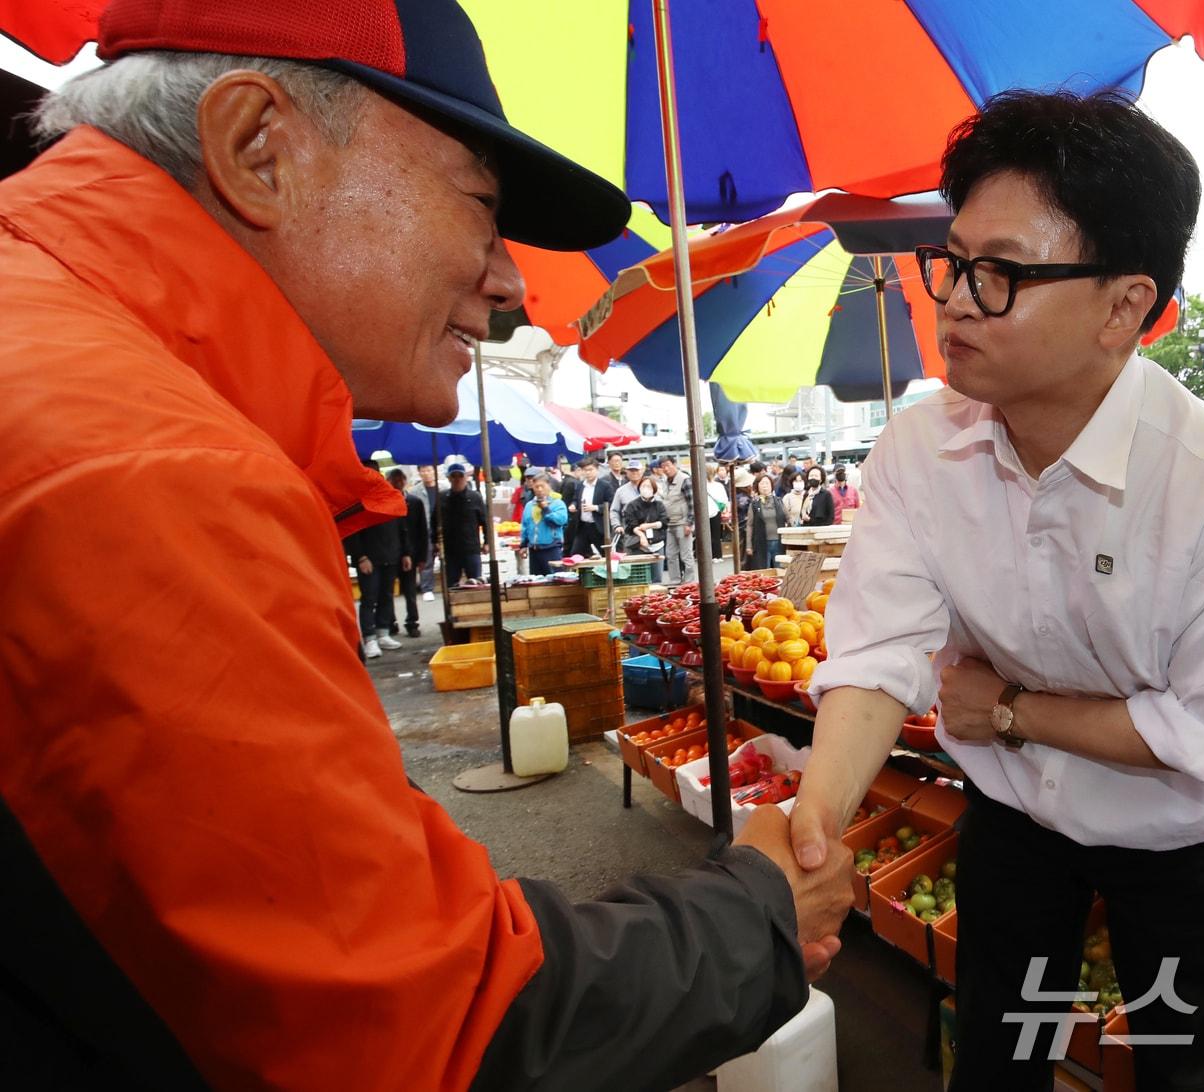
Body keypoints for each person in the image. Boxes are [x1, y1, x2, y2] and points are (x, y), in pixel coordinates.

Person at [0, 2, 852, 1086]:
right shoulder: (145, 468)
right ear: (258, 149)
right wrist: (759, 914)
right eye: (480, 208)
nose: (507, 282)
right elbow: (418, 1032)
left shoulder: (73, 358)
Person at [793, 90, 1204, 1092]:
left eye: (1002, 275)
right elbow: (877, 652)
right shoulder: (916, 450)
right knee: (995, 1055)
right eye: (952, 261)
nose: (952, 301)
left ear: (1123, 307)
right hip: (1014, 822)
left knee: (1183, 1072)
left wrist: (1013, 710)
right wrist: (810, 837)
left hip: (1174, 842)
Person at [344, 461, 412, 659]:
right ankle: (369, 637)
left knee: (387, 595)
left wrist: (405, 553)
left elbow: (402, 528)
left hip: (391, 555)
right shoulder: (357, 501)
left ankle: (383, 632)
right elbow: (352, 532)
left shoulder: (389, 496)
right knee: (369, 598)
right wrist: (360, 557)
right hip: (369, 559)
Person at [387, 468, 429, 637]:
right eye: (394, 480)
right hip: (389, 554)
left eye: (400, 480)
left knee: (410, 591)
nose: (398, 483)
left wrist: (422, 557)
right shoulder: (385, 502)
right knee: (388, 592)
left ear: (405, 481)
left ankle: (412, 622)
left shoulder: (415, 502)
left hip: (410, 554)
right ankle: (390, 623)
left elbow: (422, 531)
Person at [438, 462, 488, 585]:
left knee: (476, 583)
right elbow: (435, 521)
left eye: (460, 476)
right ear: (449, 478)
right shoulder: (442, 498)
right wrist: (435, 542)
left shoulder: (475, 497)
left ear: (465, 477)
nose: (457, 479)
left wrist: (487, 542)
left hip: (471, 548)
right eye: (453, 476)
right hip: (450, 550)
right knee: (451, 585)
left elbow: (485, 522)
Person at [657, 455, 696, 585]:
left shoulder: (684, 479)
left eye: (668, 465)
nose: (666, 469)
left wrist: (689, 523)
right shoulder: (665, 482)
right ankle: (675, 580)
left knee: (686, 555)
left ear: (674, 464)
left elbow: (693, 503)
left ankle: (689, 582)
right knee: (671, 554)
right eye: (663, 467)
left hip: (682, 523)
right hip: (670, 524)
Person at [521, 474, 569, 575]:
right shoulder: (529, 505)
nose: (539, 489)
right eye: (536, 487)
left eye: (542, 486)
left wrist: (546, 509)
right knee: (537, 581)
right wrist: (523, 545)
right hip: (534, 549)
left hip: (551, 547)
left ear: (548, 485)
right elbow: (525, 525)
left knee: (555, 578)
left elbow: (561, 521)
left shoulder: (557, 503)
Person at [568, 456, 614, 557]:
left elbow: (611, 504)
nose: (587, 473)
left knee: (606, 555)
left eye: (590, 470)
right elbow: (576, 499)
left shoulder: (605, 486)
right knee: (576, 554)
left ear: (597, 470)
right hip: (583, 526)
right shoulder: (580, 485)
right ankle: (581, 573)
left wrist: (596, 507)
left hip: (598, 526)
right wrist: (573, 505)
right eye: (585, 470)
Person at [745, 473, 786, 571]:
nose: (765, 486)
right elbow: (750, 525)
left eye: (767, 483)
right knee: (764, 570)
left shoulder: (779, 501)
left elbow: (788, 518)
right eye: (762, 483)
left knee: (780, 569)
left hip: (779, 542)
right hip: (762, 543)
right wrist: (749, 545)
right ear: (757, 486)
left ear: (772, 486)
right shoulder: (754, 504)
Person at [414, 463, 442, 600]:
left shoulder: (444, 487)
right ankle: (427, 588)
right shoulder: (415, 491)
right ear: (419, 473)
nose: (427, 473)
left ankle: (449, 585)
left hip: (442, 526)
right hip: (424, 528)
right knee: (427, 558)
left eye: (429, 470)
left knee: (447, 557)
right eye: (423, 470)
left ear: (434, 471)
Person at [621, 475, 667, 556]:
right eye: (643, 486)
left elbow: (664, 522)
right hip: (638, 545)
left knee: (657, 568)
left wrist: (649, 525)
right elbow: (630, 525)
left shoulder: (659, 504)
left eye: (649, 486)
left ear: (654, 489)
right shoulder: (632, 505)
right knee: (640, 568)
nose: (646, 489)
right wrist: (641, 535)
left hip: (657, 545)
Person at [609, 458, 645, 536]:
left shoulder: (652, 486)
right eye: (631, 471)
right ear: (627, 472)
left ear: (642, 471)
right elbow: (614, 510)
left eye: (637, 470)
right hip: (629, 532)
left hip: (650, 529)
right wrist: (617, 525)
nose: (634, 473)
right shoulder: (621, 491)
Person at [706, 464, 729, 561]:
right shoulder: (719, 485)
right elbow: (724, 500)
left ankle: (708, 556)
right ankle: (718, 555)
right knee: (716, 535)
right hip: (716, 512)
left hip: (703, 513)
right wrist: (724, 510)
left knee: (706, 536)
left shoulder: (700, 486)